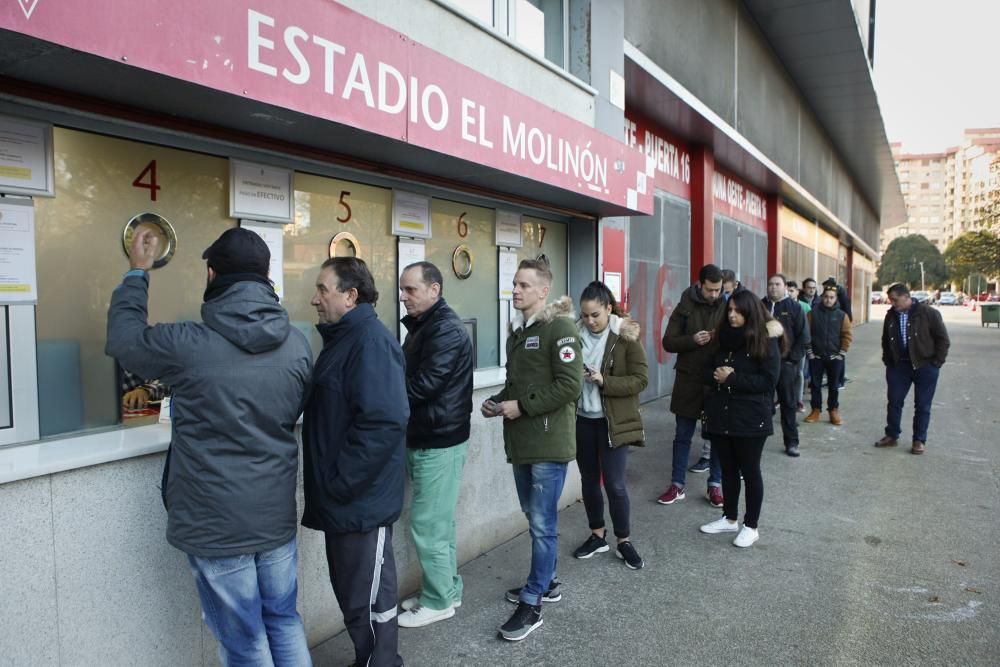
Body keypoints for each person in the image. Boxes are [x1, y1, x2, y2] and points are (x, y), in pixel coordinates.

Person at [105, 227, 313, 666]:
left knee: (244, 640)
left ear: (212, 273)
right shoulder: (296, 343)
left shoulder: (188, 344)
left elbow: (125, 342)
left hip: (217, 525)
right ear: (265, 276)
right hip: (274, 513)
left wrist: (137, 273)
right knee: (283, 619)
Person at [302, 257, 408, 666]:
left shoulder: (370, 341)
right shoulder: (345, 339)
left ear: (350, 296)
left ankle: (381, 662)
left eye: (322, 290)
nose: (314, 299)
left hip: (358, 502)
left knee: (367, 599)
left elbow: (384, 423)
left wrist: (339, 483)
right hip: (345, 501)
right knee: (355, 597)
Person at [482, 258, 582, 642]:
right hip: (522, 442)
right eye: (514, 284)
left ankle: (533, 600)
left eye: (524, 284)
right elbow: (516, 384)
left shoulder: (561, 327)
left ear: (544, 290)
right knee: (533, 515)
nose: (516, 290)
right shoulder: (518, 333)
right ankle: (549, 580)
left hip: (548, 441)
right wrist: (497, 401)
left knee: (543, 525)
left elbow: (570, 385)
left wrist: (521, 406)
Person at [396, 262, 474, 629]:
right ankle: (446, 589)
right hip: (431, 437)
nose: (404, 296)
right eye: (403, 289)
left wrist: (382, 398)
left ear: (434, 290)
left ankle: (439, 601)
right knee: (439, 524)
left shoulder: (443, 329)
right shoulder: (428, 326)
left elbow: (425, 384)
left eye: (411, 289)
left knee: (429, 524)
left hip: (438, 441)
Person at [571, 281, 648, 570]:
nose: (589, 321)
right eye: (585, 315)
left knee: (615, 484)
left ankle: (623, 541)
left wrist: (605, 381)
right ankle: (597, 535)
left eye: (595, 315)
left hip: (612, 422)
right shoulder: (572, 334)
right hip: (581, 420)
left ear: (608, 308)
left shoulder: (624, 336)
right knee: (588, 481)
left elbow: (641, 379)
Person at [698, 289, 784, 548]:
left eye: (738, 311)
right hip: (722, 415)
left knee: (750, 471)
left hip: (751, 419)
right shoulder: (721, 338)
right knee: (728, 470)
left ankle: (751, 525)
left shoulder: (764, 340)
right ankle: (729, 517)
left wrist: (732, 378)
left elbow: (769, 381)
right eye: (730, 310)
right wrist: (716, 374)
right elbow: (705, 369)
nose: (732, 315)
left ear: (750, 312)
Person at [659, 264, 727, 508]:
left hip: (716, 379)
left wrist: (718, 338)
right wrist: (692, 340)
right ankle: (677, 485)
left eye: (718, 290)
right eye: (710, 290)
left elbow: (738, 340)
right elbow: (668, 342)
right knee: (683, 435)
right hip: (689, 379)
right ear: (700, 285)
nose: (714, 295)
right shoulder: (685, 303)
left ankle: (715, 486)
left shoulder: (727, 304)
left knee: (718, 436)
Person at [875, 283, 950, 455]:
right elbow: (885, 340)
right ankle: (892, 435)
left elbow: (943, 340)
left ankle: (919, 440)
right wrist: (888, 360)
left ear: (906, 297)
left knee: (923, 405)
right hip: (898, 366)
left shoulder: (928, 313)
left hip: (925, 365)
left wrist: (937, 362)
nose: (893, 303)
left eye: (895, 299)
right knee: (894, 401)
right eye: (891, 300)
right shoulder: (891, 315)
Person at [763, 274, 810, 457]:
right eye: (770, 284)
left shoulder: (794, 307)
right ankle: (758, 438)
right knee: (762, 402)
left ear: (784, 287)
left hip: (785, 364)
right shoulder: (760, 306)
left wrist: (792, 359)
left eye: (777, 284)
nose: (773, 287)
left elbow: (803, 336)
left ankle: (791, 442)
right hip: (763, 364)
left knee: (788, 403)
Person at [804, 286, 853, 425]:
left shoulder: (842, 315)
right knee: (815, 385)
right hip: (816, 358)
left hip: (835, 358)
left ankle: (833, 410)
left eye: (831, 297)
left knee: (833, 386)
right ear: (822, 297)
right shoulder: (812, 314)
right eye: (826, 297)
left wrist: (841, 353)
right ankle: (815, 410)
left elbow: (847, 335)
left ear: (836, 299)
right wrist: (810, 352)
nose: (828, 300)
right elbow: (806, 334)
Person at [786, 281, 809, 412]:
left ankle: (798, 400)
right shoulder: (783, 305)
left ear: (797, 292)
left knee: (799, 373)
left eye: (792, 290)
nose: (789, 293)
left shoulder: (804, 307)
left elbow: (807, 328)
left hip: (799, 346)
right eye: (787, 290)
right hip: (786, 346)